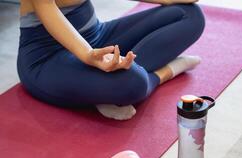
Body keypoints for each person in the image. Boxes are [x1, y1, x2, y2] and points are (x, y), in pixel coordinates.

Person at [17, 0, 205, 120]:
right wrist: (88, 55)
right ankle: (163, 73)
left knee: (189, 14)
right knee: (134, 83)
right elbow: (46, 6)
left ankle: (104, 86)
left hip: (97, 37)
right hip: (47, 57)